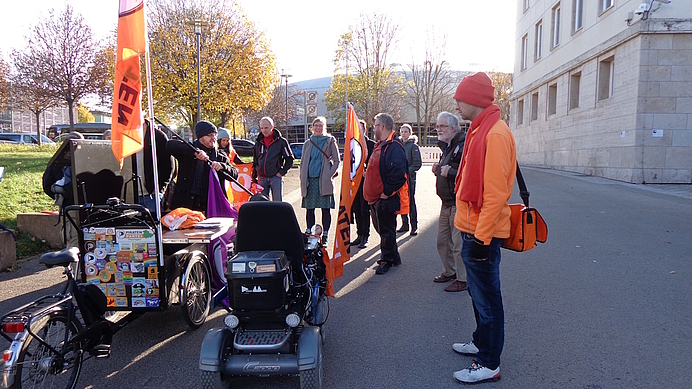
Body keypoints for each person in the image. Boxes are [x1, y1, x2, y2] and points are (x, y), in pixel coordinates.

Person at [450, 72, 516, 384]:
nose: (457, 104)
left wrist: (480, 238)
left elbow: (495, 195)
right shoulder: (480, 129)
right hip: (473, 229)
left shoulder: (494, 134)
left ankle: (489, 362)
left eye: (461, 98)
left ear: (475, 100)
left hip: (481, 235)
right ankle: (480, 342)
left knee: (488, 300)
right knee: (479, 296)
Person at [363, 113, 408, 275]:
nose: (373, 128)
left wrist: (386, 193)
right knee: (383, 229)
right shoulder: (381, 144)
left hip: (385, 198)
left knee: (387, 230)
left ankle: (386, 259)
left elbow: (398, 174)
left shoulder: (394, 146)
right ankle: (393, 256)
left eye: (375, 125)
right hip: (376, 198)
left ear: (382, 127)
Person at [167, 120, 238, 214]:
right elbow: (169, 145)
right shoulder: (189, 150)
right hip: (187, 204)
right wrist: (194, 152)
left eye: (215, 135)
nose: (214, 138)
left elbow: (234, 174)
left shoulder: (220, 155)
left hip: (211, 205)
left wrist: (223, 166)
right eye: (210, 135)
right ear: (200, 137)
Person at [431, 112, 467, 293]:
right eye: (437, 126)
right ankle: (450, 271)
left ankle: (463, 279)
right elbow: (449, 169)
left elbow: (469, 174)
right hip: (446, 203)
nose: (438, 129)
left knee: (458, 245)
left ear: (453, 128)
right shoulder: (448, 146)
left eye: (442, 126)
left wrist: (449, 172)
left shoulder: (462, 146)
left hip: (457, 203)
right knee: (442, 242)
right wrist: (438, 170)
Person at [299, 116, 340, 243]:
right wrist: (303, 177)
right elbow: (303, 162)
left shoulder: (329, 140)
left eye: (320, 125)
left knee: (325, 209)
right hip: (310, 180)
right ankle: (311, 233)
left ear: (324, 127)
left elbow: (337, 160)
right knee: (309, 209)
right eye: (315, 125)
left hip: (323, 180)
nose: (318, 128)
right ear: (312, 128)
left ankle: (326, 235)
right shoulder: (308, 142)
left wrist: (329, 174)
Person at [42, 131, 84, 248]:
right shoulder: (57, 163)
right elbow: (47, 185)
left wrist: (62, 193)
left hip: (78, 206)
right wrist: (62, 194)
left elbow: (47, 185)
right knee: (73, 239)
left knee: (76, 239)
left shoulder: (85, 160)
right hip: (72, 207)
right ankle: (75, 265)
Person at [252, 116, 294, 201]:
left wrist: (282, 172)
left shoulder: (281, 142)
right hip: (261, 177)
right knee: (262, 203)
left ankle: (278, 215)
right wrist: (254, 177)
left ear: (272, 127)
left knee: (277, 203)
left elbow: (290, 158)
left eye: (266, 128)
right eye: (262, 128)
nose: (264, 130)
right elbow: (255, 160)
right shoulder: (258, 142)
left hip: (275, 177)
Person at [138, 119, 175, 215]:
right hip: (127, 195)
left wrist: (159, 189)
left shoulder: (157, 136)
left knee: (152, 226)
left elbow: (168, 166)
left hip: (150, 195)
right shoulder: (125, 136)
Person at [352, 119, 375, 249]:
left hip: (366, 182)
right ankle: (359, 234)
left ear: (364, 130)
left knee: (364, 209)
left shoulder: (371, 145)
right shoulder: (352, 145)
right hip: (354, 182)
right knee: (356, 210)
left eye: (360, 128)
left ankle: (365, 236)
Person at [397, 123, 422, 236]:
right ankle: (404, 224)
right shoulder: (398, 145)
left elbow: (417, 163)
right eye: (402, 132)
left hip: (409, 179)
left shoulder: (413, 146)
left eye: (405, 132)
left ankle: (414, 226)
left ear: (410, 133)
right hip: (399, 179)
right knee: (402, 201)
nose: (403, 134)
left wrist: (407, 172)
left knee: (411, 201)